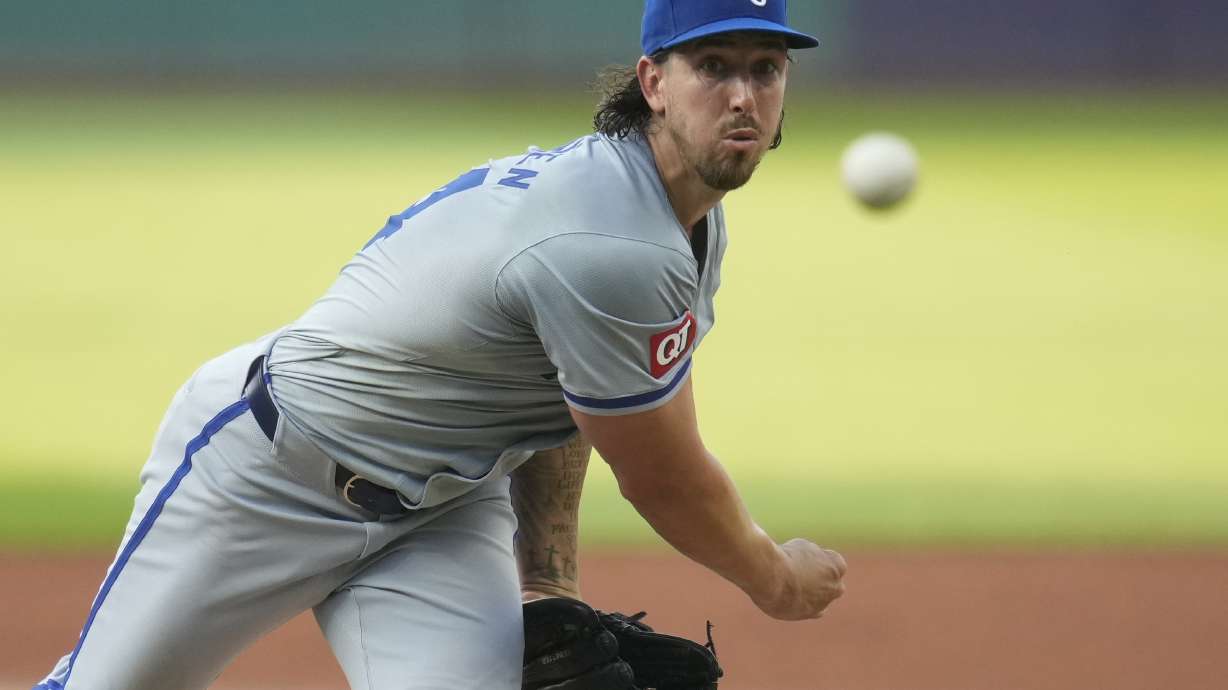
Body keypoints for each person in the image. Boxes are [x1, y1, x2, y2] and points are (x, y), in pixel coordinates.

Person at [34, 1, 846, 688]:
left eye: (766, 69)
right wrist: (773, 577)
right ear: (654, 83)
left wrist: (546, 586)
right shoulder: (614, 242)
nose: (743, 95)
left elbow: (575, 403)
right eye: (714, 66)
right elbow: (662, 476)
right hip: (264, 475)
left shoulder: (685, 219)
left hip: (438, 517)